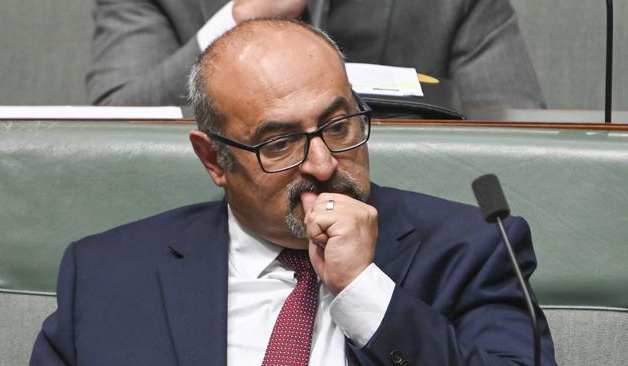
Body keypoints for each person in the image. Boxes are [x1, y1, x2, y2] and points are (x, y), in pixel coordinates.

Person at [33, 18, 556, 365]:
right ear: (214, 159)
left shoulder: (475, 249)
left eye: (339, 125)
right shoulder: (107, 273)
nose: (326, 164)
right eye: (280, 143)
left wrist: (363, 291)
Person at [87, 0, 546, 109]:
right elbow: (114, 124)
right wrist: (236, 21)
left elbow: (517, 142)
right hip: (211, 233)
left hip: (403, 238)